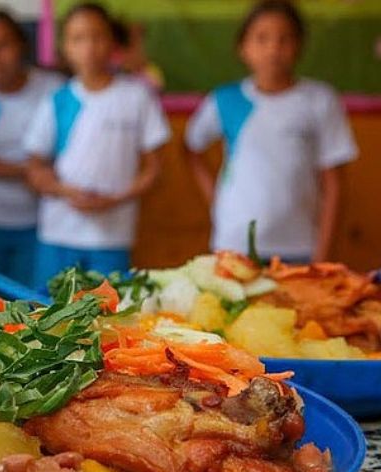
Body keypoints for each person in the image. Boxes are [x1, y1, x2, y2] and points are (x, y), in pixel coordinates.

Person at [185, 0, 357, 262]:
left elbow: (333, 184)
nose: (274, 49)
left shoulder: (320, 100)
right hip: (234, 243)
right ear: (243, 47)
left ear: (299, 45)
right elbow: (191, 149)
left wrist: (323, 255)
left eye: (284, 39)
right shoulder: (224, 100)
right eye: (261, 38)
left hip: (299, 245)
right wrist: (215, 199)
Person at [25, 3, 170, 285]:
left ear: (112, 41)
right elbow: (33, 168)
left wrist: (116, 199)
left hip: (112, 236)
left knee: (109, 318)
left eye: (97, 36)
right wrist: (64, 190)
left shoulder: (136, 97)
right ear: (65, 47)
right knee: (48, 315)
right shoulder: (56, 100)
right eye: (78, 38)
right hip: (58, 234)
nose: (89, 47)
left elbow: (155, 167)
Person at [0, 9, 63, 290]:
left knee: (31, 307)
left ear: (22, 45)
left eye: (3, 45)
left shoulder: (53, 91)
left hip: (37, 223)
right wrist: (30, 170)